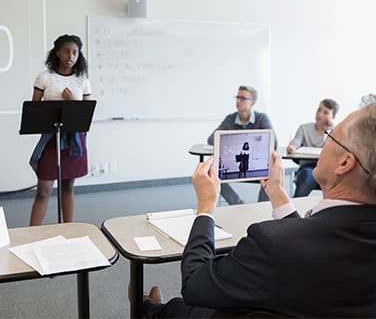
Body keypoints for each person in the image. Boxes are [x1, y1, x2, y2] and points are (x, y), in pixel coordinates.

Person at [142, 100, 376, 317]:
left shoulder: (271, 242)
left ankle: (148, 309)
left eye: (330, 136)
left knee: (184, 308)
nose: (323, 143)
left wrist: (205, 207)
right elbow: (310, 240)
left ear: (345, 163)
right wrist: (277, 193)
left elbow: (194, 284)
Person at [29, 34, 91, 226]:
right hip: (51, 139)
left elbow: (86, 114)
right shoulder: (44, 77)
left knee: (68, 187)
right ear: (57, 52)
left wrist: (73, 102)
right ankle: (32, 233)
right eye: (66, 51)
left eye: (75, 52)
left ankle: (69, 228)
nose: (70, 55)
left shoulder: (82, 80)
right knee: (44, 190)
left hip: (74, 140)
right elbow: (35, 110)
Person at [207, 85, 278, 204]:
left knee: (272, 170)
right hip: (235, 164)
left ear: (253, 102)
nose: (238, 100)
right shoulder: (231, 119)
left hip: (256, 165)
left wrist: (234, 140)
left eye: (243, 98)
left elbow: (274, 142)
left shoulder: (262, 118)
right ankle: (237, 203)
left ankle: (260, 206)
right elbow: (211, 139)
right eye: (237, 97)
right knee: (211, 172)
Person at [287, 98, 339, 197]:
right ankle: (295, 207)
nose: (320, 114)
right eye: (319, 110)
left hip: (327, 170)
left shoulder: (335, 131)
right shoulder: (304, 128)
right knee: (306, 175)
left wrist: (333, 128)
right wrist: (292, 147)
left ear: (333, 116)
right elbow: (296, 142)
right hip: (308, 168)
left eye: (326, 113)